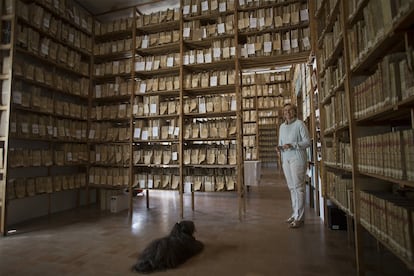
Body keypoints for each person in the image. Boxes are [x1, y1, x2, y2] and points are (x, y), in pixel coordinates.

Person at [277, 103, 311, 228]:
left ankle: (300, 217)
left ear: (295, 112)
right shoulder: (282, 127)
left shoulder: (300, 124)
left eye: (290, 110)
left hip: (297, 158)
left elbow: (307, 142)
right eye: (285, 110)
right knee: (292, 187)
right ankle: (295, 213)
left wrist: (293, 145)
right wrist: (279, 149)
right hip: (286, 159)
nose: (287, 112)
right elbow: (281, 143)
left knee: (298, 187)